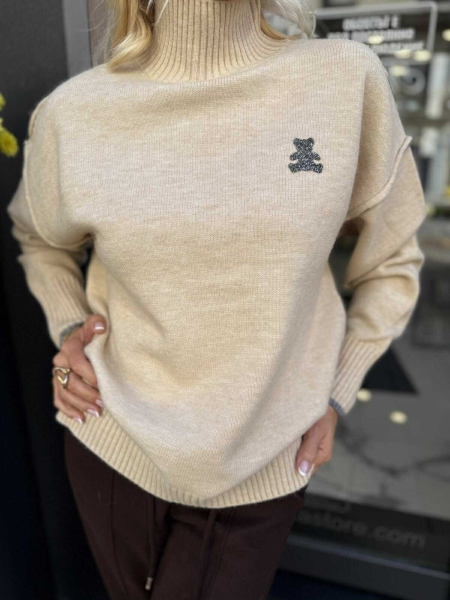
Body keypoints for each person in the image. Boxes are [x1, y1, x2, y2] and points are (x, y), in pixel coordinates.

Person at [6, 0, 427, 597]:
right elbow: (38, 237)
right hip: (112, 440)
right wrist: (70, 327)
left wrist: (336, 390)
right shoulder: (74, 112)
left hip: (263, 461)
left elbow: (393, 261)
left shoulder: (344, 81)